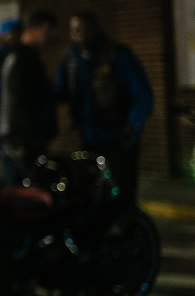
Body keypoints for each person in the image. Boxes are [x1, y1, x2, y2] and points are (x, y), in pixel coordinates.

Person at [56, 11, 153, 206]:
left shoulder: (118, 55)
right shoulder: (69, 59)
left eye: (85, 30)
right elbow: (60, 92)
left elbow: (143, 95)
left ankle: (127, 230)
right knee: (92, 191)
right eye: (75, 31)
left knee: (121, 190)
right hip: (88, 138)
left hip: (118, 138)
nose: (81, 36)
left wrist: (133, 124)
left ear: (96, 29)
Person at [0, 10, 58, 185]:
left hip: (20, 137)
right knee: (30, 191)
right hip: (22, 139)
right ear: (33, 29)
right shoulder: (23, 58)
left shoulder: (19, 56)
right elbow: (22, 99)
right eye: (47, 31)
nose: (50, 36)